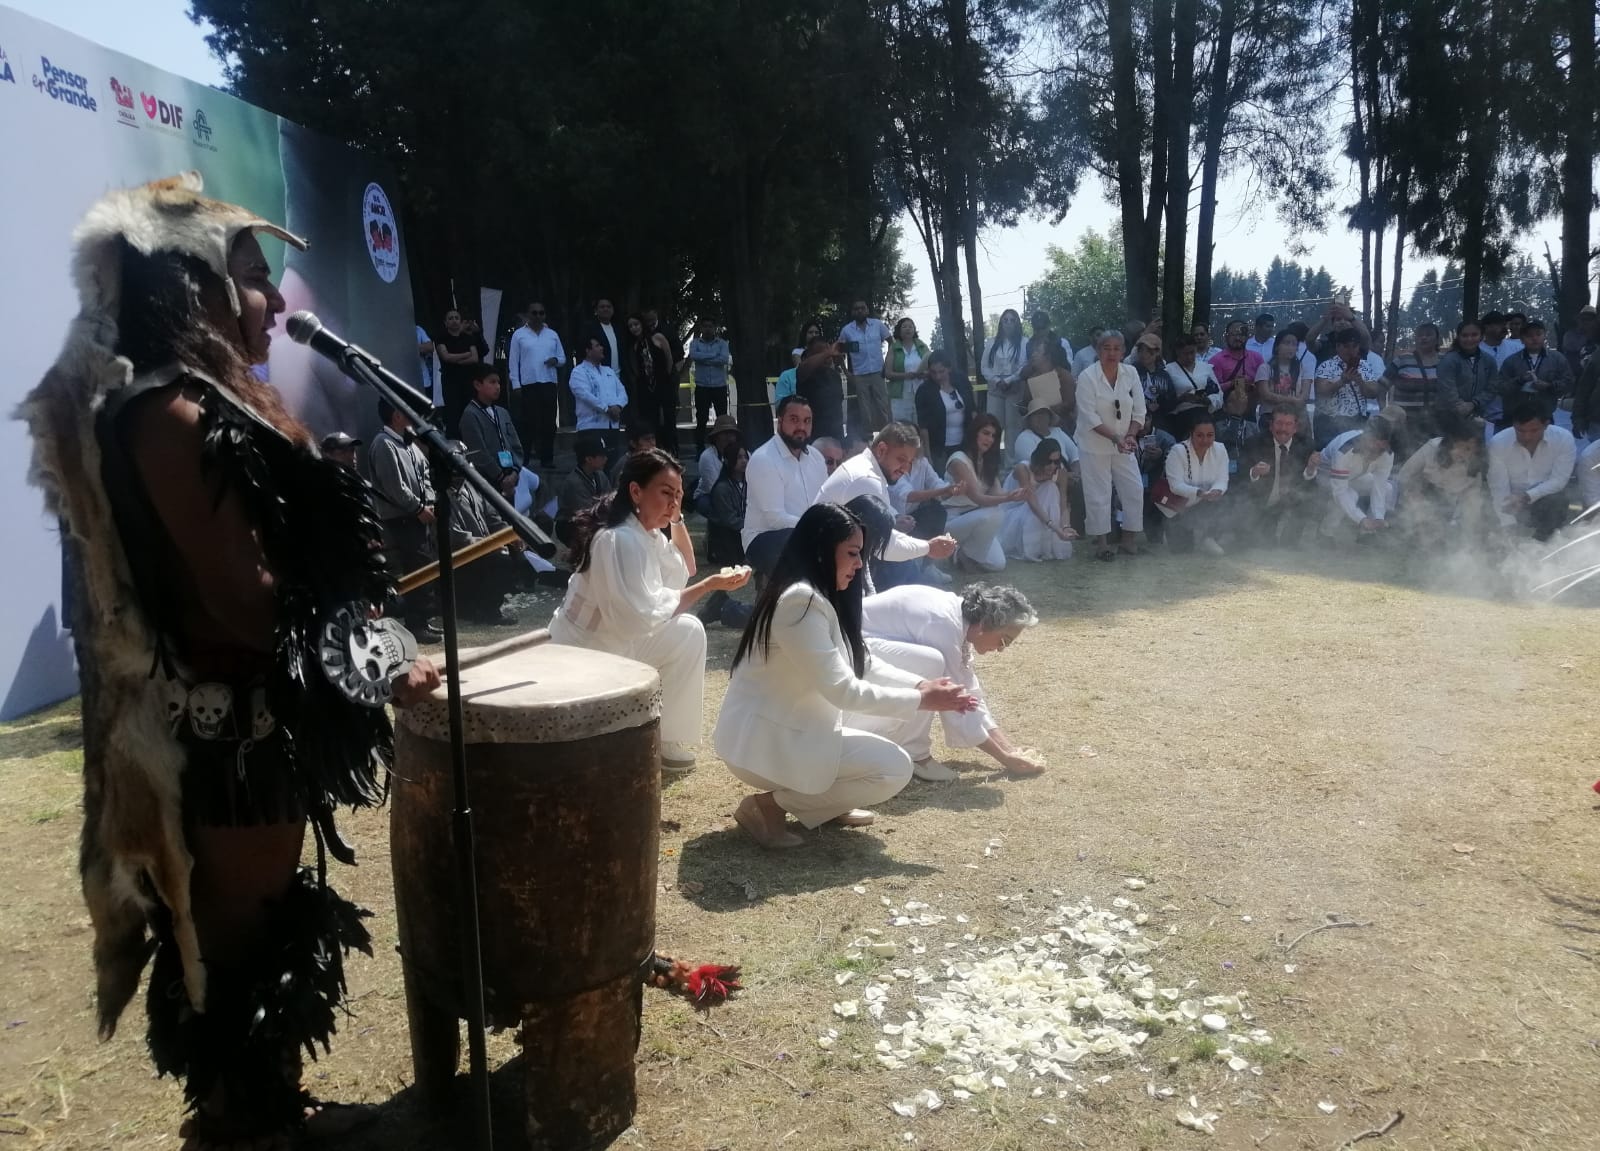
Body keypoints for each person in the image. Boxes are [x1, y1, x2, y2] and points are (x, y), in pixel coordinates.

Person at [18, 173, 441, 1149]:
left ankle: (261, 1111)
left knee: (255, 930)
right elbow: (247, 599)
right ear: (191, 290)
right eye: (253, 276)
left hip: (256, 724)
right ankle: (240, 1125)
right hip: (224, 737)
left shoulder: (205, 403)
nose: (274, 300)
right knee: (237, 939)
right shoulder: (164, 414)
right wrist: (375, 657)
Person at [715, 504, 975, 848]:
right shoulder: (799, 602)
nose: (860, 564)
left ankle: (825, 803)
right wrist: (922, 700)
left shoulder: (818, 594)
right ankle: (767, 806)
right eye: (852, 553)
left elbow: (861, 661)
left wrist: (919, 685)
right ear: (822, 549)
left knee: (892, 724)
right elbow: (843, 690)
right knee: (895, 768)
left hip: (791, 728)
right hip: (762, 744)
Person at [548, 449, 750, 771]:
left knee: (689, 630)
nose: (673, 502)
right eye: (666, 493)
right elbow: (638, 618)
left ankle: (667, 740)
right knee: (684, 626)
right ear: (636, 491)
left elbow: (686, 566)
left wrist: (677, 517)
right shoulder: (618, 539)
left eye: (679, 495)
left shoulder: (647, 533)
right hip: (584, 653)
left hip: (615, 643)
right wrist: (709, 587)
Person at [858, 583, 1046, 781]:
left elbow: (969, 691)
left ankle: (907, 748)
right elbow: (956, 703)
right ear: (985, 625)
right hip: (853, 648)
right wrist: (1005, 758)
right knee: (932, 663)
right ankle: (915, 753)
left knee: (932, 665)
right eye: (1004, 640)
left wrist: (1010, 749)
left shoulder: (959, 619)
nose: (1001, 649)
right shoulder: (944, 625)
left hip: (863, 646)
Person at [818, 421, 959, 587]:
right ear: (882, 450)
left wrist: (925, 546)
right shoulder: (866, 478)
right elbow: (885, 546)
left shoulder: (867, 469)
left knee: (905, 567)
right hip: (824, 569)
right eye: (901, 459)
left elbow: (884, 537)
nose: (905, 469)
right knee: (902, 569)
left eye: (910, 462)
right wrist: (928, 547)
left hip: (834, 563)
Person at [370, 398, 442, 642]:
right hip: (400, 519)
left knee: (423, 567)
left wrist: (429, 502)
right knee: (414, 568)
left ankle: (423, 619)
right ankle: (415, 623)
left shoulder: (409, 443)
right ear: (396, 415)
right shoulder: (384, 444)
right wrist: (419, 507)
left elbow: (425, 476)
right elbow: (394, 487)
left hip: (419, 517)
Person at [1075, 329, 1148, 560]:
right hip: (1094, 444)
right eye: (1107, 348)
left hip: (1124, 443)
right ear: (1098, 350)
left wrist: (1130, 435)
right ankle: (1102, 543)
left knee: (1134, 488)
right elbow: (1089, 417)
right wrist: (1115, 438)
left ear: (1124, 351)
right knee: (1099, 493)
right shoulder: (1087, 377)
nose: (1112, 353)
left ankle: (1128, 538)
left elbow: (1139, 410)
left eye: (1117, 348)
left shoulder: (1131, 373)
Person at [444, 440, 528, 624]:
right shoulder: (441, 494)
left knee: (518, 554)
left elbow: (492, 518)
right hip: (459, 554)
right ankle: (488, 612)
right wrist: (487, 545)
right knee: (501, 559)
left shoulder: (471, 487)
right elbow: (454, 536)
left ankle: (492, 599)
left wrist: (510, 536)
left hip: (482, 547)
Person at [743, 395, 829, 573]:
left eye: (807, 421)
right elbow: (775, 519)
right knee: (796, 542)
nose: (801, 427)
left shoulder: (816, 457)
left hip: (809, 533)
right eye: (794, 420)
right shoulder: (764, 459)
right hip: (766, 538)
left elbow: (824, 503)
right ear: (779, 421)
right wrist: (816, 529)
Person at [943, 413, 1025, 571]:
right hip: (953, 519)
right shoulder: (958, 460)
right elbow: (978, 498)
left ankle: (962, 553)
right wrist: (1008, 498)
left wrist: (1017, 494)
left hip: (977, 519)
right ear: (974, 433)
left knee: (998, 564)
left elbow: (998, 494)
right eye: (985, 433)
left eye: (993, 436)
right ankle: (963, 555)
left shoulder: (988, 461)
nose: (990, 439)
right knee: (995, 513)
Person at [1394, 414, 1490, 545]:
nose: (1462, 453)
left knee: (1445, 533)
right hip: (1421, 493)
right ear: (1451, 443)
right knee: (1422, 529)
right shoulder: (1432, 447)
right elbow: (1405, 474)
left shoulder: (1476, 465)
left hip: (1448, 502)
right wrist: (1413, 493)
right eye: (1459, 446)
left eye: (1468, 449)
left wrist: (1469, 538)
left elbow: (1472, 505)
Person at [1488, 401, 1576, 541]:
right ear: (1513, 425)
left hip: (1544, 498)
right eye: (1520, 431)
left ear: (1546, 425)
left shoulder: (1563, 439)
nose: (1526, 437)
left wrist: (1526, 496)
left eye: (1534, 431)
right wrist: (1507, 524)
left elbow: (1559, 481)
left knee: (1558, 501)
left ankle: (1545, 543)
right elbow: (1498, 487)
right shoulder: (1499, 442)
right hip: (1510, 501)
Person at [1152, 411, 1231, 554]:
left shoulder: (1220, 449)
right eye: (1200, 435)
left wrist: (1217, 490)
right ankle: (1170, 532)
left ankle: (1209, 536)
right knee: (1182, 551)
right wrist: (1200, 493)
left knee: (1226, 500)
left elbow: (1222, 479)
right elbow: (1175, 486)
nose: (1205, 440)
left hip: (1207, 504)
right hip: (1179, 508)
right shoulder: (1177, 451)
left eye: (1210, 435)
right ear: (1191, 434)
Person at [1242, 408, 1319, 545]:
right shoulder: (1254, 444)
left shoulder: (1306, 444)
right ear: (1271, 426)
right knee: (1262, 545)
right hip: (1265, 502)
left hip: (1292, 500)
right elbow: (1240, 479)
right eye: (1279, 423)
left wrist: (1311, 469)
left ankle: (1292, 536)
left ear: (1295, 428)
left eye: (1288, 424)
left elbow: (1309, 485)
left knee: (1289, 546)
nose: (1283, 428)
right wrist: (1254, 472)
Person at [458, 362, 529, 501]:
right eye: (492, 382)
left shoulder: (502, 413)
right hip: (488, 481)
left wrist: (515, 471)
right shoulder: (470, 415)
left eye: (499, 382)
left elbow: (516, 445)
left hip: (510, 477)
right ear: (478, 385)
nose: (497, 386)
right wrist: (500, 477)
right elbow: (478, 452)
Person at [1315, 416, 1396, 539]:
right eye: (1373, 445)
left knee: (1388, 488)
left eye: (1381, 448)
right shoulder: (1344, 451)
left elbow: (1379, 486)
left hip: (1355, 476)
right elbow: (1340, 492)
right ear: (1365, 437)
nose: (1376, 451)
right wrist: (1361, 519)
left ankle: (1368, 533)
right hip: (1325, 475)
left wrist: (1379, 517)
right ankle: (1325, 533)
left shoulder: (1387, 454)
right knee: (1350, 495)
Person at [506, 302, 565, 469]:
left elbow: (562, 358)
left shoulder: (552, 334)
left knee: (549, 423)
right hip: (528, 384)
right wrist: (516, 384)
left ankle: (547, 458)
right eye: (534, 313)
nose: (538, 316)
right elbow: (513, 361)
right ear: (528, 315)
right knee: (528, 423)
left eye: (541, 313)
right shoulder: (519, 335)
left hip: (548, 382)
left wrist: (556, 361)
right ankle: (523, 458)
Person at [1000, 440, 1077, 562]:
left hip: (1039, 511)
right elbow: (1032, 502)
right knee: (1047, 490)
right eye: (1048, 462)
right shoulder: (1023, 469)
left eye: (1056, 462)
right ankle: (1032, 548)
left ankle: (1047, 547)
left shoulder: (1060, 472)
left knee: (1050, 488)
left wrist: (1066, 527)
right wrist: (1056, 529)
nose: (1053, 466)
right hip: (1013, 513)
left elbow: (1063, 503)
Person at [1498, 318, 1573, 426]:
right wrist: (1519, 381)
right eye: (1529, 335)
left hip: (1545, 416)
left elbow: (1569, 383)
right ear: (1522, 339)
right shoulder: (1511, 361)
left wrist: (1549, 386)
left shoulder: (1557, 359)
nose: (1534, 338)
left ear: (1544, 335)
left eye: (1538, 334)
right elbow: (1500, 387)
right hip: (1516, 417)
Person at [1314, 328, 1383, 443]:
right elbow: (1321, 392)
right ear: (1338, 346)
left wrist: (1360, 381)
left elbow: (1374, 393)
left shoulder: (1365, 366)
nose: (1350, 350)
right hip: (1330, 424)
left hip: (1357, 422)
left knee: (1355, 459)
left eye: (1354, 346)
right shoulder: (1326, 366)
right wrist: (1342, 382)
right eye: (1346, 346)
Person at [914, 348, 978, 471]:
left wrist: (975, 443)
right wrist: (928, 455)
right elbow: (923, 427)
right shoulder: (924, 391)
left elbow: (973, 411)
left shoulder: (962, 381)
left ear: (949, 368)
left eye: (941, 371)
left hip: (964, 443)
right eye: (933, 372)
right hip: (938, 447)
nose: (937, 376)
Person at [569, 333, 629, 461]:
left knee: (613, 465)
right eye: (597, 346)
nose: (601, 348)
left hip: (612, 426)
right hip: (590, 427)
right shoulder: (578, 372)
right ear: (588, 351)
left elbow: (622, 392)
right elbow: (585, 395)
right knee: (593, 467)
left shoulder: (609, 371)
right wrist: (607, 409)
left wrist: (618, 406)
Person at [1386, 322, 1444, 445]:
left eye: (1428, 334)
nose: (1424, 338)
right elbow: (1382, 385)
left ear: (1437, 339)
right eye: (1420, 335)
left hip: (1435, 425)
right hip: (1404, 425)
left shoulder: (1445, 361)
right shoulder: (1402, 360)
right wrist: (1384, 410)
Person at [840, 299, 892, 433]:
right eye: (856, 309)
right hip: (859, 375)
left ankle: (886, 435)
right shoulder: (847, 330)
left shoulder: (877, 325)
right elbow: (839, 352)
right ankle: (868, 439)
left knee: (883, 407)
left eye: (862, 308)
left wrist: (887, 365)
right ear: (852, 312)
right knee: (865, 410)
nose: (859, 311)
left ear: (867, 310)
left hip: (878, 373)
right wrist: (846, 372)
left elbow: (892, 343)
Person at [981, 308, 1029, 451]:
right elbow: (984, 366)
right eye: (1005, 320)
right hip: (995, 387)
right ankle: (993, 460)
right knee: (993, 425)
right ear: (1001, 323)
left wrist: (1009, 380)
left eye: (1012, 320)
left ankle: (1011, 464)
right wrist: (997, 380)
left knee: (1013, 426)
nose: (1008, 323)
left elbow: (1024, 365)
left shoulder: (1024, 342)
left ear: (1017, 323)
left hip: (1014, 386)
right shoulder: (991, 343)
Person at [1436, 319, 1500, 426]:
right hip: (1448, 416)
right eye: (1464, 335)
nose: (1469, 339)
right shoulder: (1449, 360)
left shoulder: (1489, 361)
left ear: (1481, 336)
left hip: (1478, 415)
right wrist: (1460, 406)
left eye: (1474, 335)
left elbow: (1492, 388)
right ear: (1459, 337)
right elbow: (1447, 388)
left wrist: (1474, 403)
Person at [555, 433, 616, 546]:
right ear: (588, 459)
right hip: (573, 526)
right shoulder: (574, 483)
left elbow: (611, 500)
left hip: (597, 519)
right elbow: (586, 513)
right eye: (601, 456)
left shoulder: (600, 475)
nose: (606, 459)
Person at [629, 313, 677, 453]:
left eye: (636, 324)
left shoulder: (658, 337)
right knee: (651, 422)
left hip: (663, 385)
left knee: (668, 421)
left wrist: (665, 379)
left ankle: (672, 451)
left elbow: (669, 360)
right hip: (646, 390)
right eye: (631, 326)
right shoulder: (635, 345)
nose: (634, 328)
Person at [436, 307, 488, 432]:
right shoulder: (441, 337)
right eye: (450, 318)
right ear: (445, 322)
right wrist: (465, 355)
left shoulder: (468, 337)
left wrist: (456, 359)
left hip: (467, 380)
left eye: (456, 318)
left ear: (460, 321)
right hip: (450, 381)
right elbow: (446, 357)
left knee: (468, 410)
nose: (454, 321)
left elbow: (475, 358)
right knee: (453, 412)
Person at [688, 320, 732, 451]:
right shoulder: (695, 343)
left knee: (722, 419)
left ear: (715, 328)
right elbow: (695, 356)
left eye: (710, 326)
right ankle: (700, 449)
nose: (707, 329)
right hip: (702, 387)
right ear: (701, 328)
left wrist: (704, 358)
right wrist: (714, 357)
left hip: (719, 386)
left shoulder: (723, 344)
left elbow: (724, 359)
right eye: (705, 326)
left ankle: (725, 449)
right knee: (701, 419)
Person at [1166, 333, 1222, 435]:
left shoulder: (1206, 368)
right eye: (1185, 353)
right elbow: (1166, 399)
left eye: (1192, 352)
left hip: (1205, 413)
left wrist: (1207, 400)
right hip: (1181, 417)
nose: (1189, 357)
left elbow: (1218, 393)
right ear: (1177, 352)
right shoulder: (1169, 370)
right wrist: (1181, 399)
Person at [1255, 330, 1311, 429]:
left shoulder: (1303, 368)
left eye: (1294, 344)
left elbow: (1305, 395)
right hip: (1271, 416)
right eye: (1287, 343)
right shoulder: (1265, 368)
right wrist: (1291, 400)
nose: (1291, 347)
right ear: (1277, 347)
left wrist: (1298, 401)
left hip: (1297, 417)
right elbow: (1265, 395)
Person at [797, 335, 849, 442]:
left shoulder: (835, 376)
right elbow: (803, 369)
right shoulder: (805, 374)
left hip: (836, 437)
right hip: (812, 438)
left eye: (828, 351)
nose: (827, 357)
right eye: (821, 353)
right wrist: (828, 353)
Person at [705, 443, 749, 568]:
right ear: (729, 460)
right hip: (727, 533)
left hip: (744, 529)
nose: (743, 461)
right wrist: (751, 525)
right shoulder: (722, 488)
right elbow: (729, 520)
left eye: (745, 457)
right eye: (739, 457)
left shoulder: (748, 483)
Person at [694, 413, 742, 517]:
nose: (728, 438)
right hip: (711, 495)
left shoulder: (744, 454)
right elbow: (714, 488)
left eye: (731, 434)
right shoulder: (707, 457)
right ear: (716, 437)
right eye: (724, 433)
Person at [884, 317, 930, 423]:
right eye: (904, 327)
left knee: (921, 424)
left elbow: (933, 368)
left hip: (922, 392)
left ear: (914, 330)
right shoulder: (894, 348)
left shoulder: (922, 346)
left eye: (910, 326)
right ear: (899, 330)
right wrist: (906, 375)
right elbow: (887, 373)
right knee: (903, 428)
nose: (908, 329)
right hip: (900, 395)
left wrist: (925, 374)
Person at [1210, 320, 1264, 403]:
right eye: (1233, 334)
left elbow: (1264, 386)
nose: (1237, 338)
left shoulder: (1257, 358)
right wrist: (1232, 383)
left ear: (1247, 337)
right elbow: (1213, 389)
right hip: (1227, 407)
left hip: (1253, 406)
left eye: (1241, 334)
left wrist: (1251, 385)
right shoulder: (1216, 360)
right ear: (1226, 336)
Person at [580, 296, 623, 377]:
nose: (605, 309)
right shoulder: (590, 328)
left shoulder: (619, 328)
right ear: (596, 310)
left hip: (619, 375)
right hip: (600, 375)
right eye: (602, 307)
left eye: (608, 306)